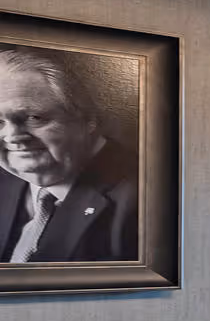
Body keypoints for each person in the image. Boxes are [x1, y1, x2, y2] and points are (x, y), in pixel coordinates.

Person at [0, 48, 138, 262]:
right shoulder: (5, 181)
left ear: (88, 119)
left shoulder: (145, 200)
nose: (12, 136)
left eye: (33, 117)